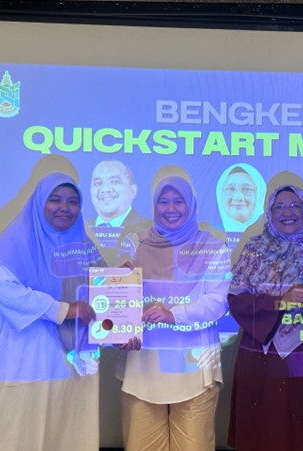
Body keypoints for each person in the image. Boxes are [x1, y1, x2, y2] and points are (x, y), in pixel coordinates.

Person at [0, 173, 103, 451]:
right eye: (55, 200)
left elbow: (102, 288)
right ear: (39, 203)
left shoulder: (83, 245)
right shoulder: (16, 242)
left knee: (69, 439)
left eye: (73, 202)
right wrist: (62, 310)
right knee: (20, 440)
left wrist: (123, 282)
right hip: (21, 365)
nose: (65, 208)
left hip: (70, 368)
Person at [227, 184, 303, 451]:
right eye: (279, 207)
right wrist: (280, 302)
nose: (287, 212)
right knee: (265, 432)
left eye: (295, 206)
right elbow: (236, 299)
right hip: (262, 357)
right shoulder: (255, 248)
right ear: (269, 213)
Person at [117, 175, 231, 451]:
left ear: (191, 204)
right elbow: (120, 300)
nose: (171, 209)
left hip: (194, 369)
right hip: (143, 367)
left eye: (179, 201)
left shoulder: (213, 247)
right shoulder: (134, 243)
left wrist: (173, 315)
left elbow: (217, 302)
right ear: (154, 206)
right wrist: (119, 288)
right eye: (163, 202)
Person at [89, 160, 149, 262]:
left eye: (114, 181)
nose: (105, 189)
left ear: (133, 191)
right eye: (98, 183)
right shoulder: (82, 232)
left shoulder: (149, 231)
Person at [216, 163, 266, 233]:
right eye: (230, 189)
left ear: (260, 195)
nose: (238, 198)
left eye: (247, 189)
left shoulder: (272, 235)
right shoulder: (211, 234)